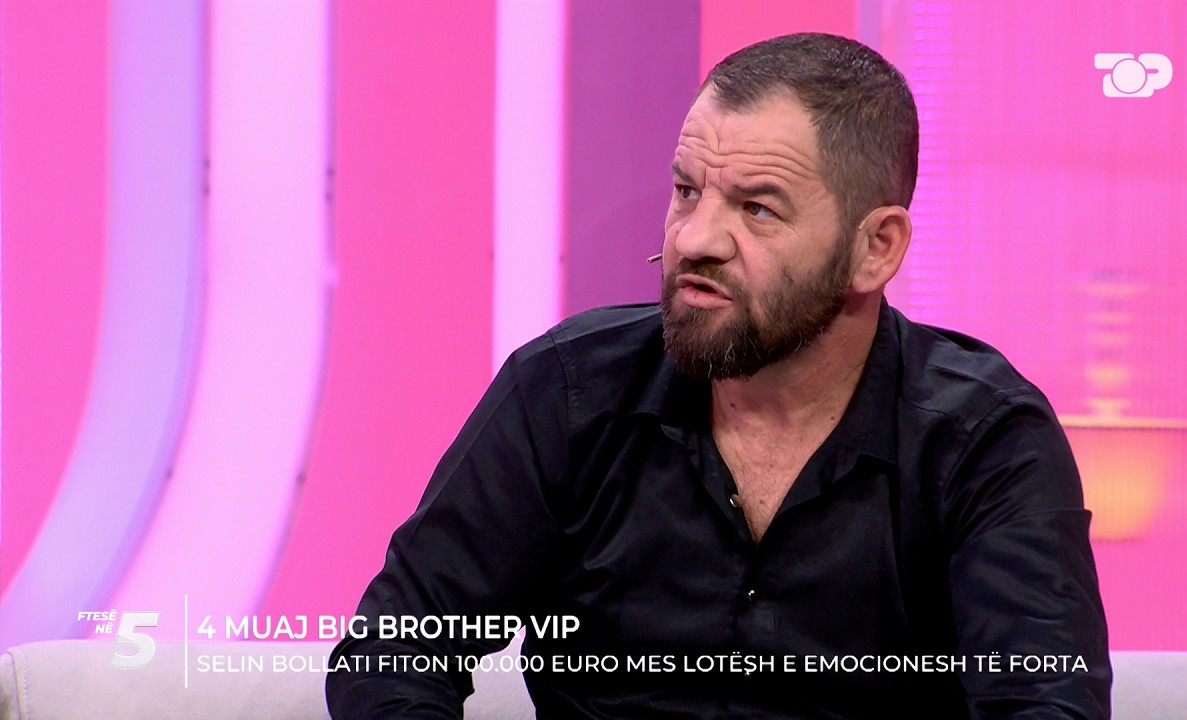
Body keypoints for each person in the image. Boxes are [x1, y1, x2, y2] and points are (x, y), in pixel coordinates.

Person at [327, 32, 1110, 719]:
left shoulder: (982, 441)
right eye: (687, 191)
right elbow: (392, 654)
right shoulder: (567, 393)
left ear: (875, 249)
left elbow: (1043, 703)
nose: (695, 238)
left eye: (758, 208)